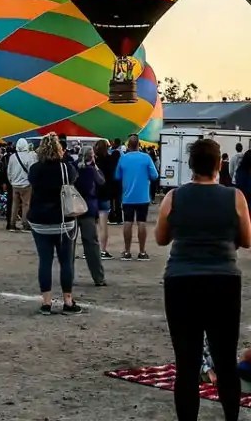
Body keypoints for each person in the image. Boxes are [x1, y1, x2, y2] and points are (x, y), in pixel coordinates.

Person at [157, 138, 251, 421]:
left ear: (190, 166)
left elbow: (161, 238)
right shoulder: (234, 197)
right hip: (223, 280)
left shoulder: (173, 197)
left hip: (181, 281)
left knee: (186, 363)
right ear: (219, 165)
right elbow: (247, 240)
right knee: (225, 360)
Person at [25, 133, 83, 314]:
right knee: (66, 262)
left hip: (40, 220)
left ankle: (47, 302)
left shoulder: (35, 169)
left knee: (45, 260)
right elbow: (74, 180)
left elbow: (32, 184)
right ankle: (67, 300)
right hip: (63, 220)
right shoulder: (67, 169)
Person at [116, 134, 159, 260]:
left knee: (128, 222)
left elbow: (117, 176)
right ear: (139, 145)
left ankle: (127, 251)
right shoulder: (146, 158)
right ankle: (142, 252)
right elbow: (155, 175)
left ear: (128, 145)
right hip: (143, 197)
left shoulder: (123, 158)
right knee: (142, 222)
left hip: (127, 196)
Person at [75, 142, 108, 287]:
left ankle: (68, 276)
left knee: (69, 244)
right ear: (91, 156)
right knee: (91, 244)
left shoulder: (72, 168)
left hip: (72, 209)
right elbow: (101, 181)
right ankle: (98, 277)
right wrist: (95, 166)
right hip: (87, 209)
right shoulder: (92, 170)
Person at [5, 142, 34, 231]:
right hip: (26, 185)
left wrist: (11, 181)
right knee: (26, 205)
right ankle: (25, 224)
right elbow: (31, 170)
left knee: (15, 204)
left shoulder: (13, 157)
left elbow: (9, 170)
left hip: (15, 185)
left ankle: (12, 224)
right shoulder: (29, 157)